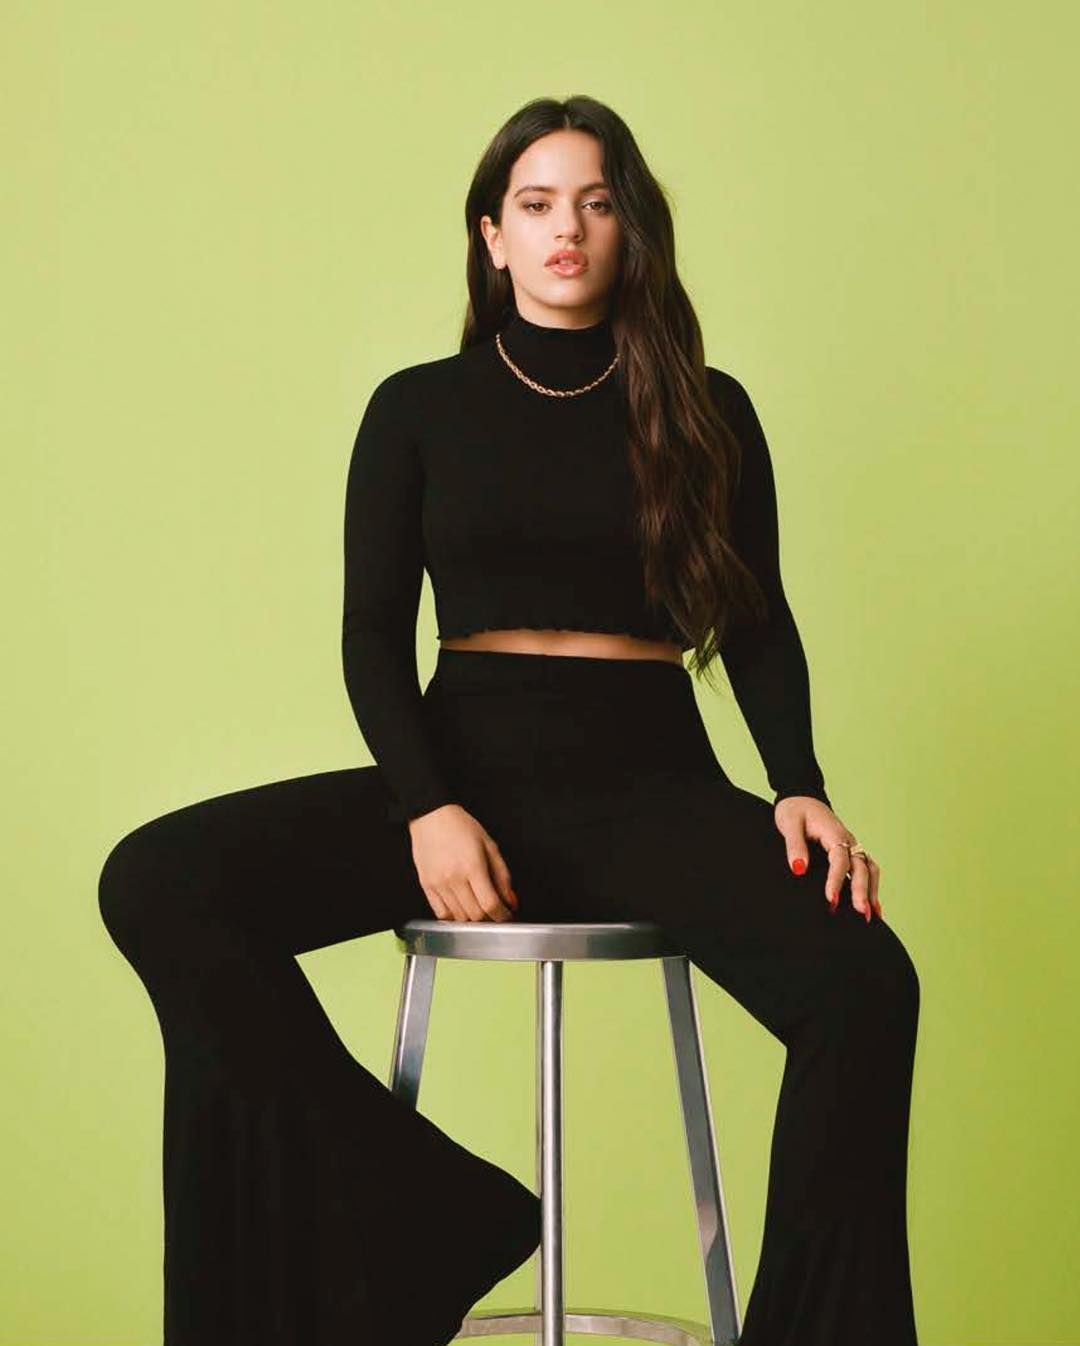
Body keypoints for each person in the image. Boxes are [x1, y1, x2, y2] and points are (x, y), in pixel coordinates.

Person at [97, 94, 920, 1346]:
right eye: (537, 205)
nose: (567, 231)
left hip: (652, 781)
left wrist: (798, 777)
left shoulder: (710, 408)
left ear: (630, 230)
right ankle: (420, 1203)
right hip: (465, 764)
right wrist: (429, 803)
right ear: (492, 234)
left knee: (870, 984)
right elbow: (371, 632)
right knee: (159, 877)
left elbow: (755, 622)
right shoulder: (418, 407)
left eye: (595, 203)